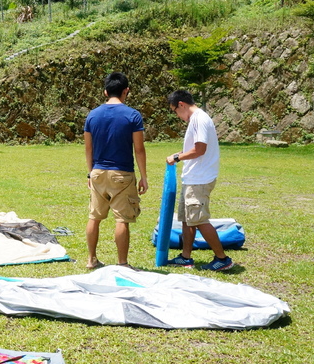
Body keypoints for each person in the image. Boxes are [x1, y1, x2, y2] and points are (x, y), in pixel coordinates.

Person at [83, 72, 149, 269]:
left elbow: (88, 148)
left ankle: (91, 259)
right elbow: (139, 148)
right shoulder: (132, 115)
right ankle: (122, 264)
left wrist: (90, 172)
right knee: (122, 219)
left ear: (105, 91)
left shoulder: (92, 115)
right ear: (126, 91)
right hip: (122, 174)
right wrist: (144, 177)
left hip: (98, 172)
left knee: (94, 217)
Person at [165, 89, 235, 271]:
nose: (177, 115)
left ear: (181, 105)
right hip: (193, 177)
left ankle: (222, 259)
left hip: (200, 178)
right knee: (188, 219)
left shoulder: (199, 119)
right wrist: (179, 155)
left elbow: (200, 149)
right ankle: (186, 257)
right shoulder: (197, 119)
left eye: (175, 111)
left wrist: (178, 157)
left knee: (200, 219)